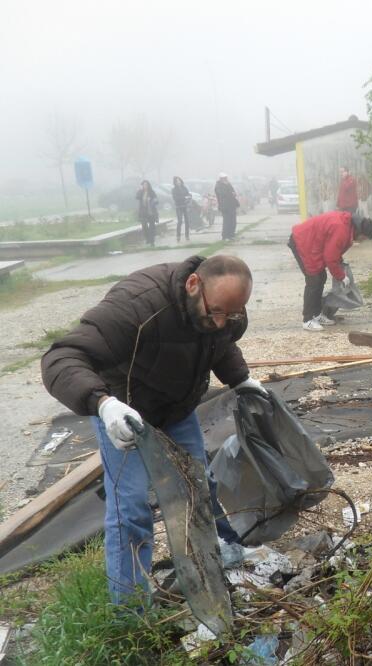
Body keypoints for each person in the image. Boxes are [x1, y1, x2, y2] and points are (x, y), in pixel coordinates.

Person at [40, 255, 266, 605]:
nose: (223, 321)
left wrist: (242, 379)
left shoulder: (224, 313)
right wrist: (103, 404)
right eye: (216, 311)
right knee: (130, 508)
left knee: (198, 488)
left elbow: (218, 342)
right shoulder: (136, 306)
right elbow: (61, 358)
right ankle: (130, 615)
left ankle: (208, 578)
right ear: (193, 285)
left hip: (177, 407)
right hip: (125, 413)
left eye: (232, 315)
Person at [288, 211, 372, 331]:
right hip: (302, 241)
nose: (362, 241)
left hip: (312, 243)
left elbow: (334, 250)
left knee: (321, 277)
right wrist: (341, 276)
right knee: (314, 280)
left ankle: (317, 315)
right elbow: (330, 258)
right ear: (360, 231)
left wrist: (340, 267)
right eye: (364, 238)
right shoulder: (342, 230)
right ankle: (307, 320)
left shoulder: (348, 227)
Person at [215, 173, 240, 241]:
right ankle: (225, 236)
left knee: (233, 221)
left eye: (226, 178)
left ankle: (231, 235)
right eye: (224, 178)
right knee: (227, 222)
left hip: (232, 205)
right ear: (220, 179)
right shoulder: (218, 186)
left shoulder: (228, 184)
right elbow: (222, 194)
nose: (225, 179)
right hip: (225, 207)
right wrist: (231, 193)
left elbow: (233, 192)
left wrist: (233, 193)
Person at [135, 180, 158, 246]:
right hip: (143, 212)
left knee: (152, 226)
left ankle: (152, 241)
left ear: (148, 185)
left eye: (146, 185)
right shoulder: (141, 192)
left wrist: (151, 200)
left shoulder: (151, 192)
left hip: (151, 211)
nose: (145, 186)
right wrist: (139, 190)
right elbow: (137, 197)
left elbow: (156, 200)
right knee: (144, 225)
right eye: (144, 185)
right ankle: (147, 238)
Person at [171, 176, 192, 242]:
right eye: (177, 181)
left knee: (187, 221)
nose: (178, 182)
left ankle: (187, 236)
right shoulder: (174, 189)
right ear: (175, 182)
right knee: (180, 221)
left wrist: (189, 197)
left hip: (185, 206)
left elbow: (188, 194)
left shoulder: (184, 188)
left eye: (179, 180)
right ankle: (178, 236)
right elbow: (175, 198)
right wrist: (184, 198)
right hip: (179, 207)